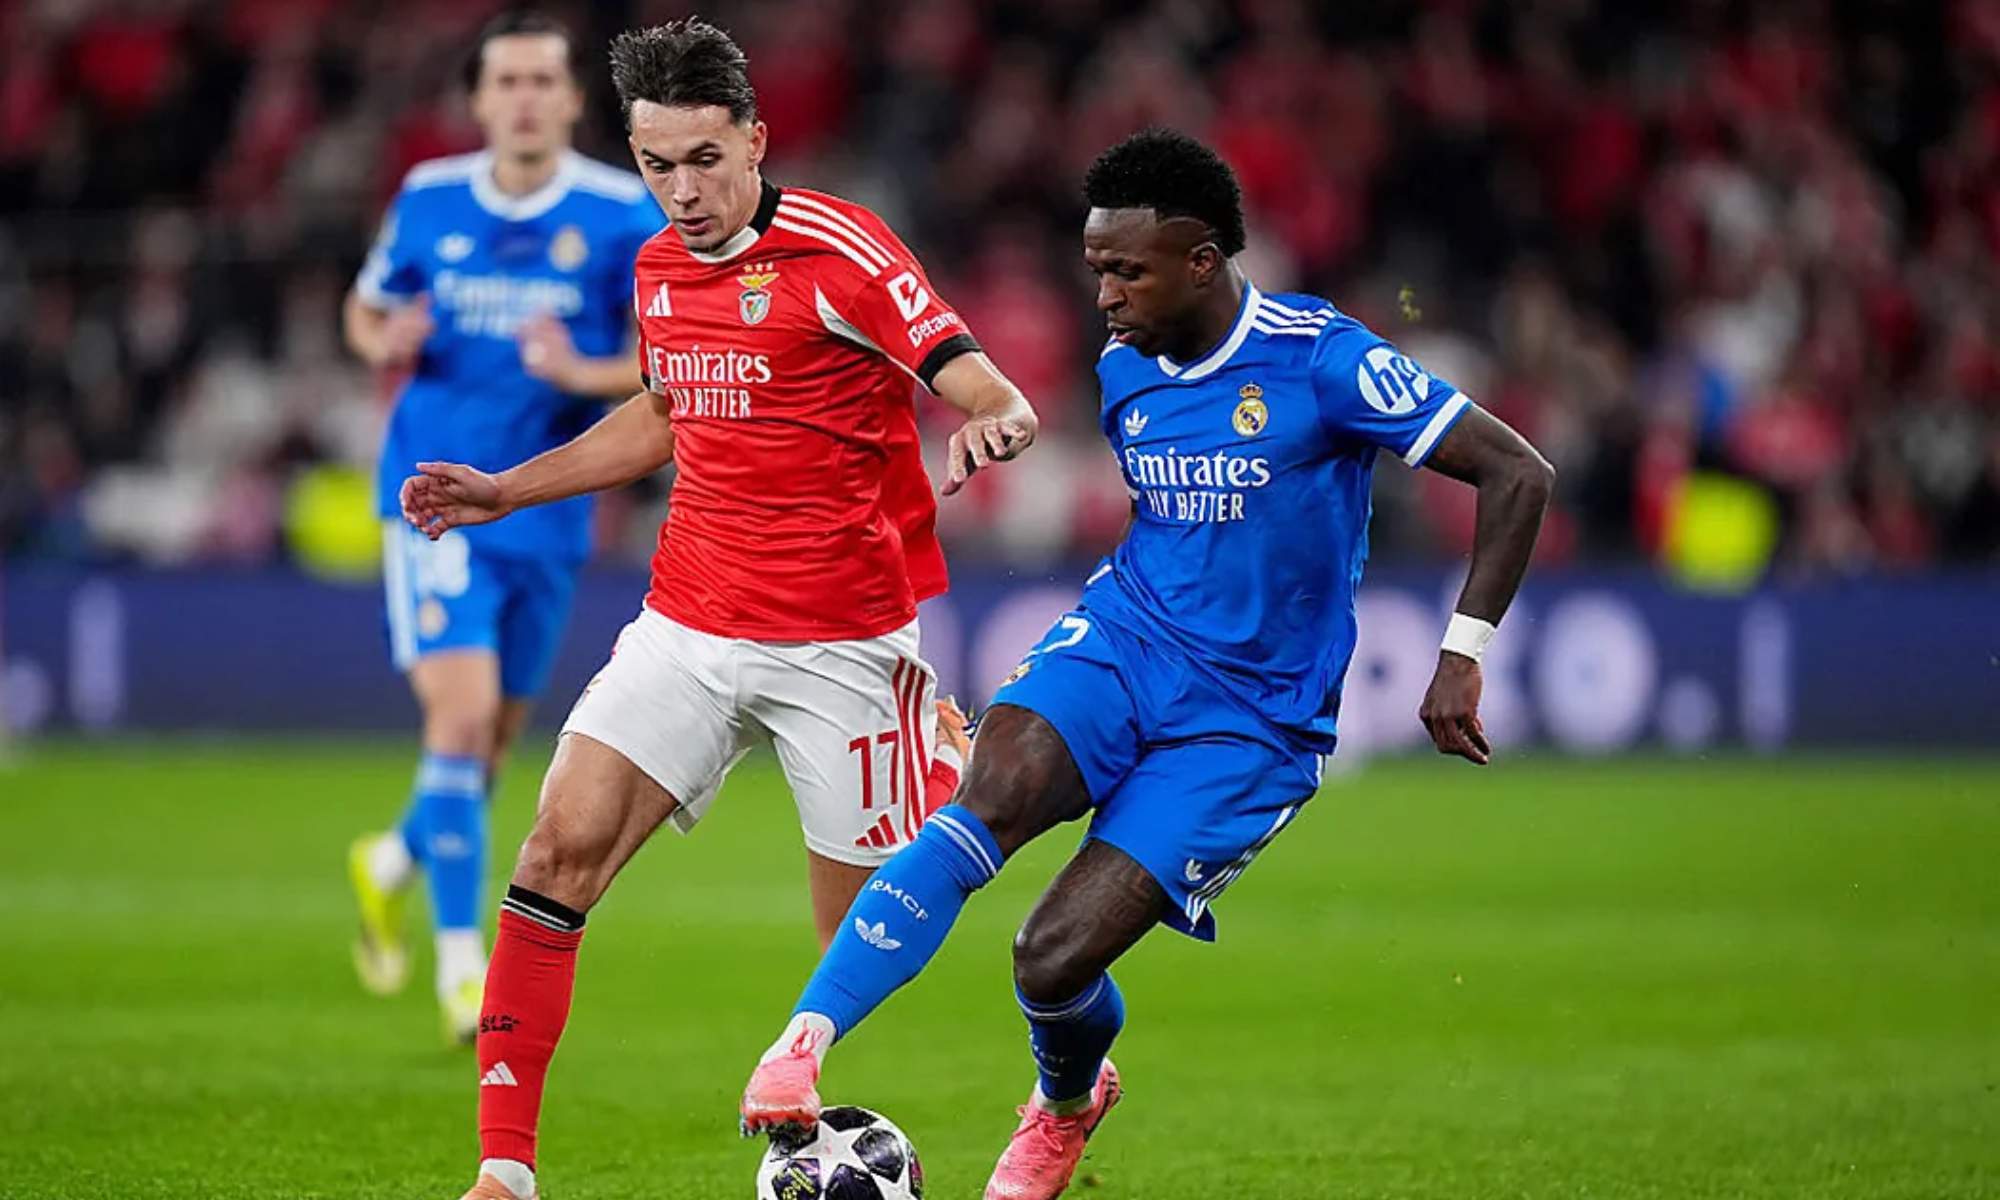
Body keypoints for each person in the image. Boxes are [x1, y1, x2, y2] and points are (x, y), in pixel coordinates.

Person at [738, 128, 1556, 1200]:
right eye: (1094, 271)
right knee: (990, 792)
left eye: (1125, 270)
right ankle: (799, 1044)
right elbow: (1175, 526)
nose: (1105, 296)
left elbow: (1515, 471)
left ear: (1201, 260)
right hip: (1126, 642)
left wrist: (1460, 653)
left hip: (1251, 723)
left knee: (1051, 957)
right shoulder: (1125, 370)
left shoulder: (1323, 360)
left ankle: (1066, 1104)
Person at [397, 19, 1039, 1200]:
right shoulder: (655, 267)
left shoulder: (843, 251)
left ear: (754, 135)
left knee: (861, 944)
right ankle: (503, 1171)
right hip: (688, 624)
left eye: (703, 160)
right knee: (553, 849)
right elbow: (661, 413)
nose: (680, 192)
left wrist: (993, 416)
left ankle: (940, 764)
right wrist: (503, 490)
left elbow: (970, 375)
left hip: (843, 644)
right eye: (655, 165)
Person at [342, 10, 664, 1046]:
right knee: (462, 718)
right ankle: (457, 971)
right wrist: (380, 333)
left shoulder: (619, 211)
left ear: (572, 101)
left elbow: (665, 364)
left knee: (492, 745)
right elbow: (365, 309)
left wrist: (584, 373)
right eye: (506, 82)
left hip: (543, 504)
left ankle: (392, 858)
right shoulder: (430, 197)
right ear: (479, 100)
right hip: (433, 498)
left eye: (542, 82)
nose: (524, 98)